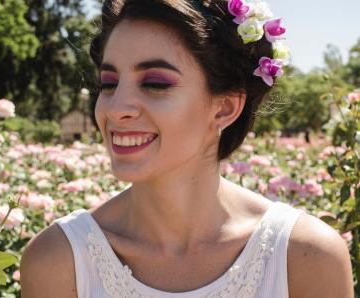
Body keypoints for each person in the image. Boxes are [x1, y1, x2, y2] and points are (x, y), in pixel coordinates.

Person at [21, 0, 354, 297]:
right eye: (109, 83)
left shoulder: (306, 257)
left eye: (154, 84)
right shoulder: (58, 259)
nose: (115, 107)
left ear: (224, 108)